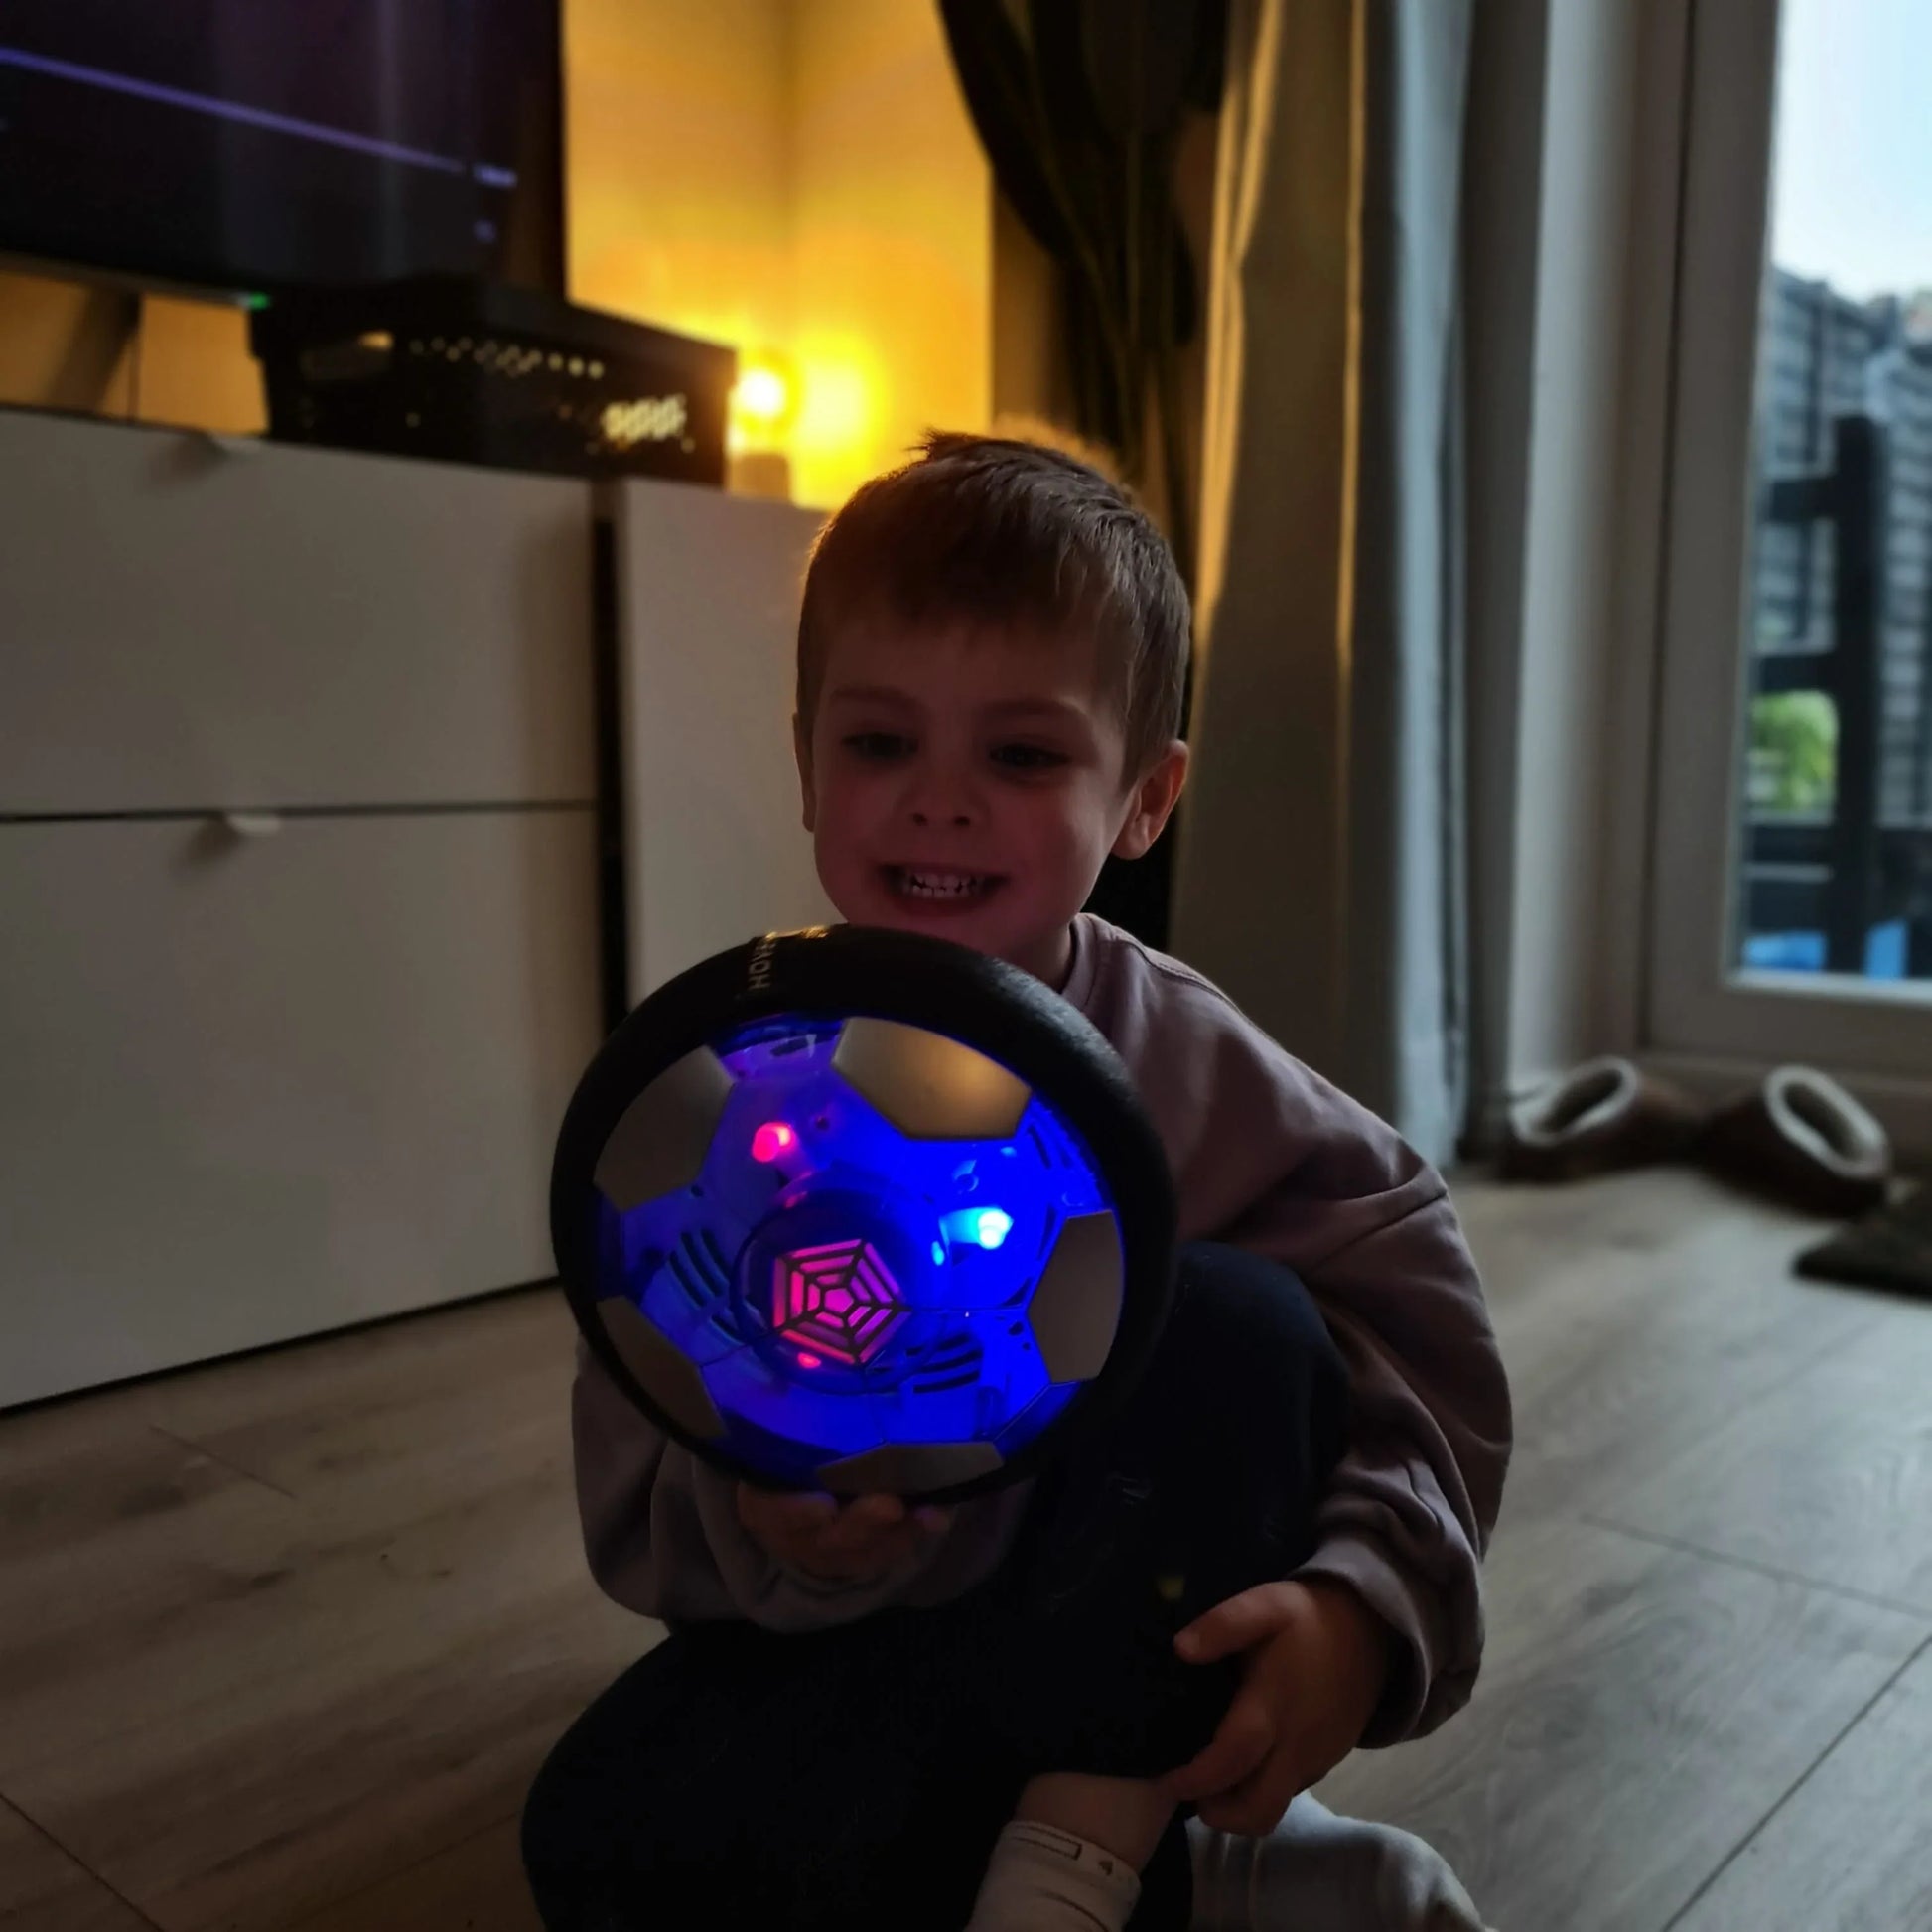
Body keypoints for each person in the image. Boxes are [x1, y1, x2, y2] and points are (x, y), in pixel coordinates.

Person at [522, 432, 1511, 1932]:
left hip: (1126, 1628)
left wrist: (1362, 1593)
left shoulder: (1189, 1060)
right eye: (879, 743)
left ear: (1145, 798)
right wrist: (765, 1519)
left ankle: (1099, 1836)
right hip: (883, 1654)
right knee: (599, 1831)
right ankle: (1209, 1877)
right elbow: (643, 1417)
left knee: (1240, 1320)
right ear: (806, 761)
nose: (939, 801)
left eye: (1022, 755)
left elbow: (1408, 1295)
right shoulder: (723, 1091)